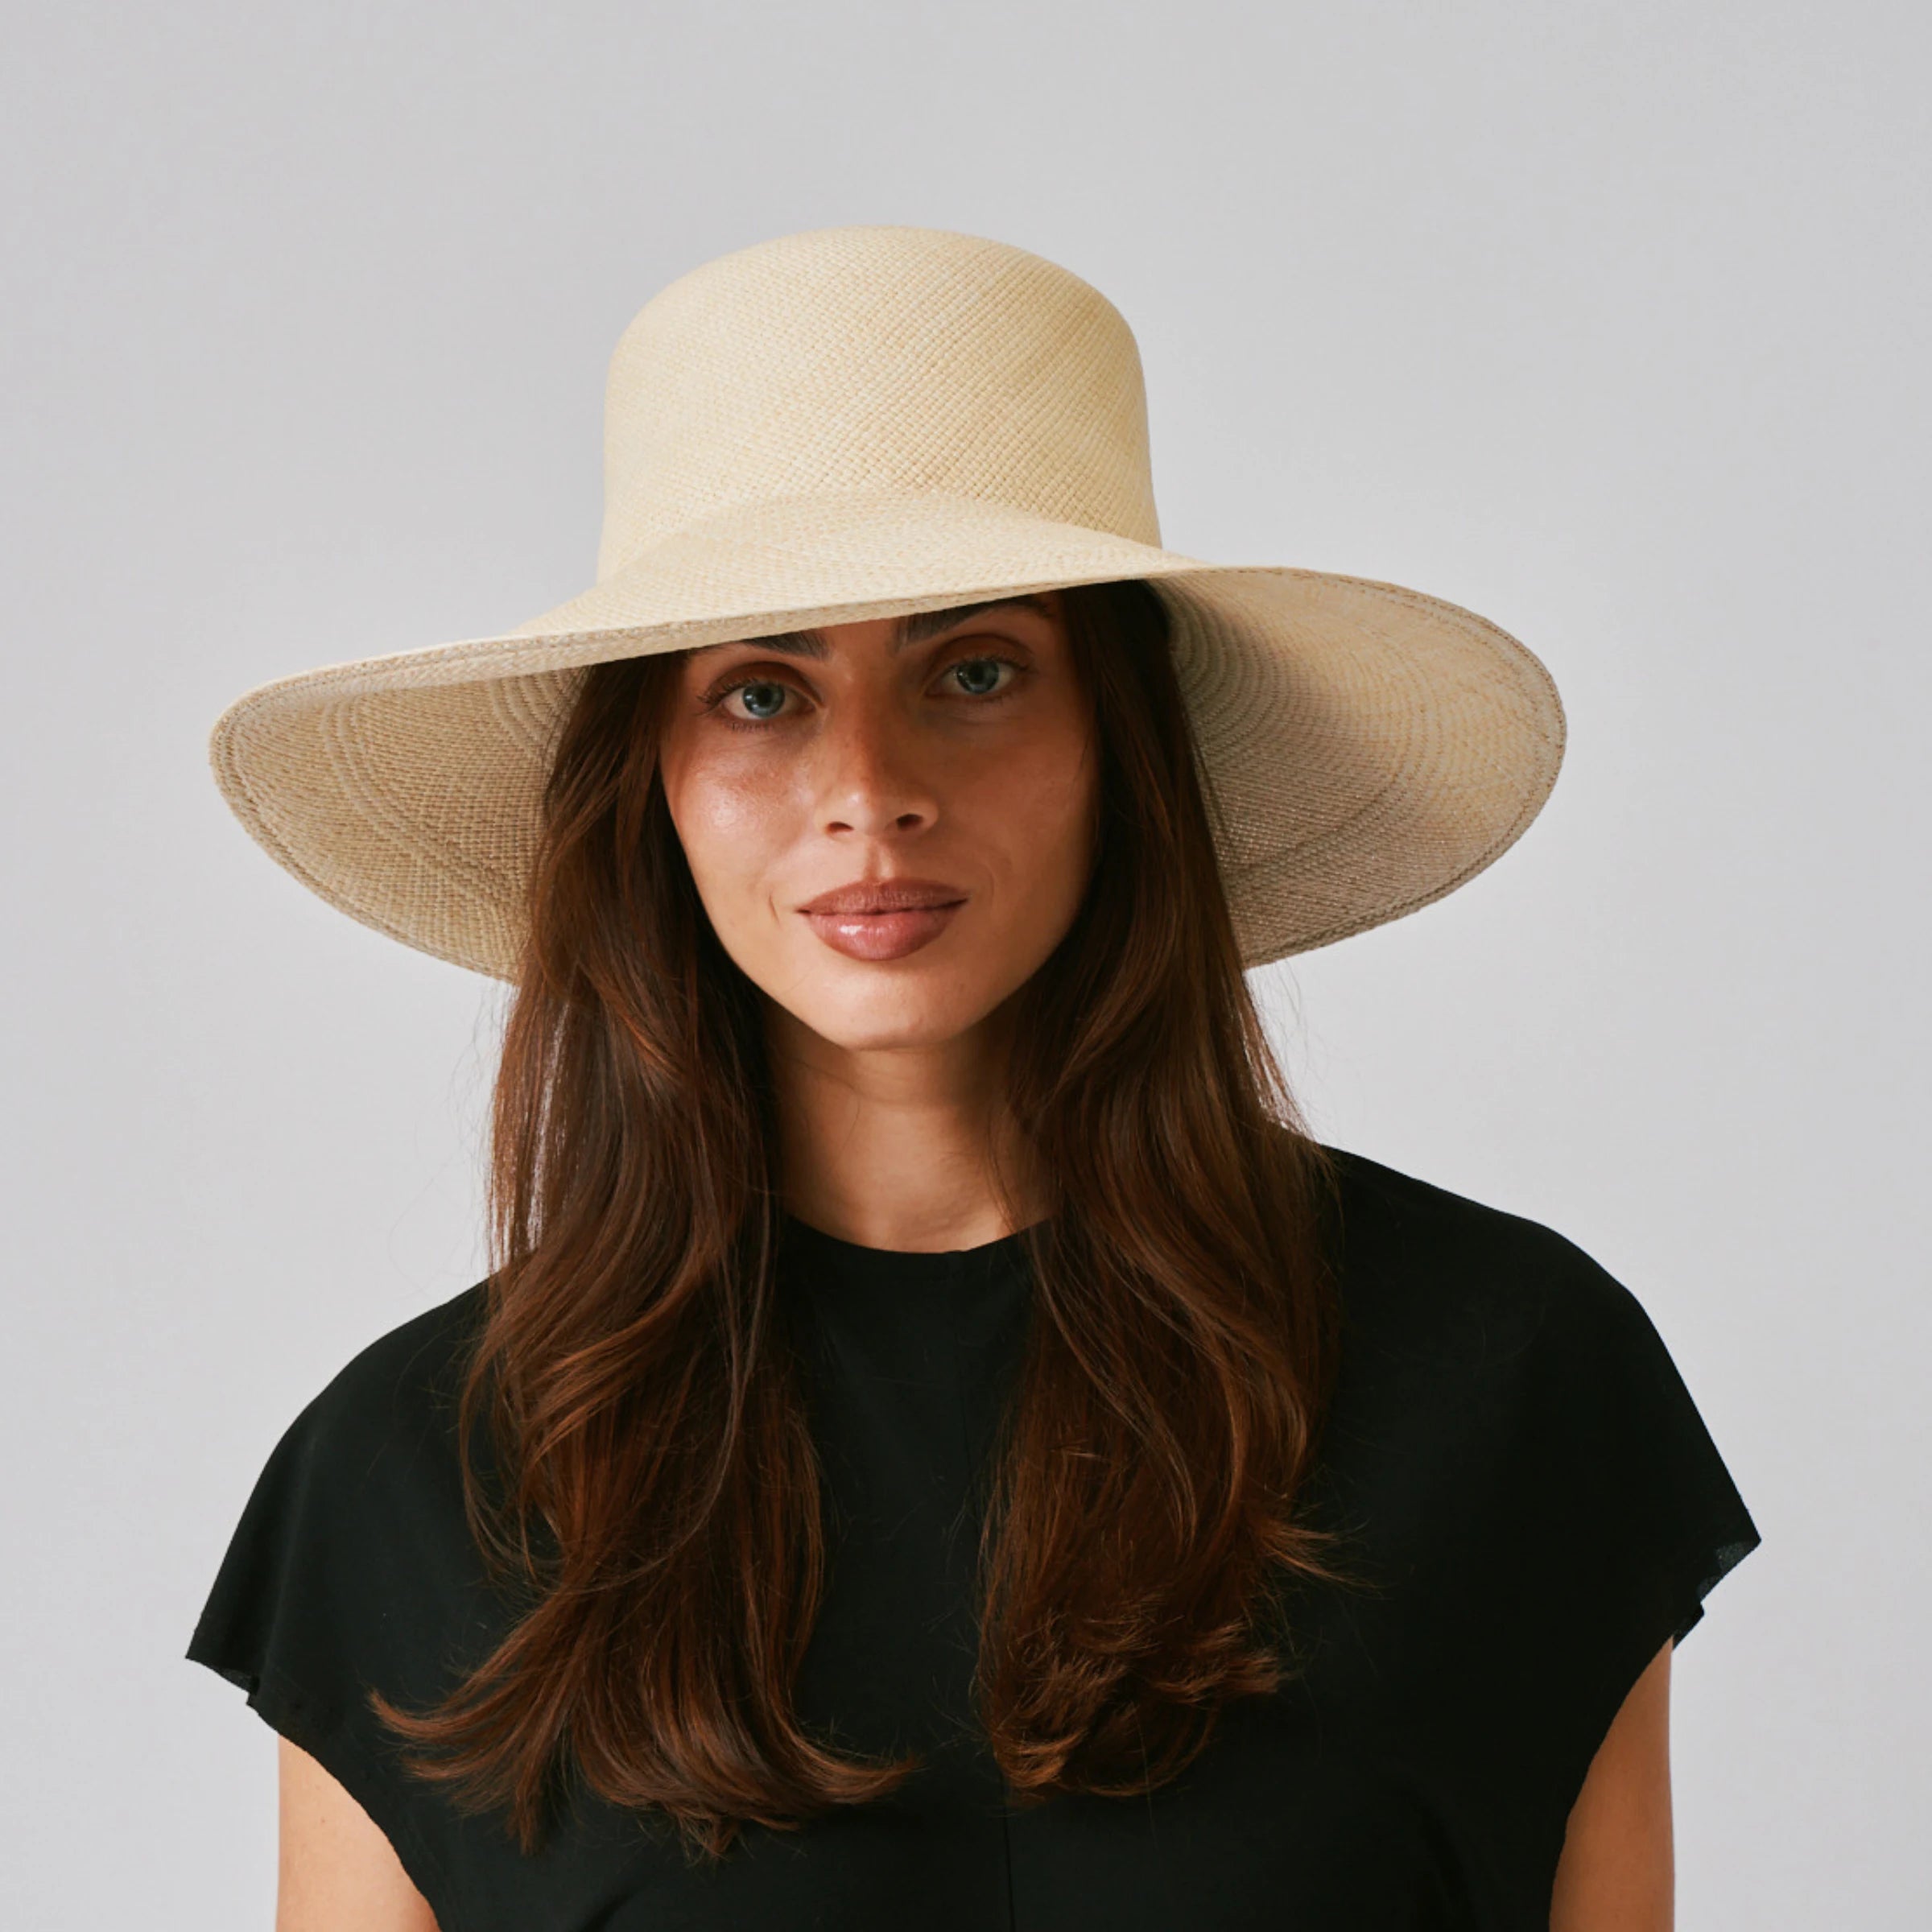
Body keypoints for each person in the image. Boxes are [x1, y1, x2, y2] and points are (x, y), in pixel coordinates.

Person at [188, 226, 1758, 1932]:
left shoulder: (1508, 1384)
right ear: (650, 783)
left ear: (1120, 740)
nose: (870, 788)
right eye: (763, 691)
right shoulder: (417, 1483)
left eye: (979, 670)